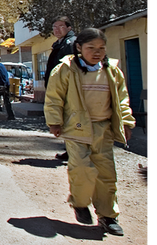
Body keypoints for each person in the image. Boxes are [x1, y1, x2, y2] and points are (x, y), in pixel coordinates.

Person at [44, 28, 135, 236]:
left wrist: (127, 123)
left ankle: (108, 216)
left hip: (103, 128)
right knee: (82, 168)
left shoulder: (111, 70)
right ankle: (80, 203)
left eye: (101, 48)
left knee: (106, 173)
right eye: (91, 48)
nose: (97, 52)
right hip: (76, 128)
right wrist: (54, 122)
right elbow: (54, 97)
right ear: (79, 48)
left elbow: (122, 99)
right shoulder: (66, 70)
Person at [45, 16, 76, 161]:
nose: (57, 30)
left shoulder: (71, 43)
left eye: (61, 26)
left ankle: (74, 151)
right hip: (60, 86)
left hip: (68, 88)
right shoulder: (60, 43)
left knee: (71, 118)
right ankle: (70, 149)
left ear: (69, 28)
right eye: (54, 27)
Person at [0, 55, 15, 120]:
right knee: (6, 99)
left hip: (2, 85)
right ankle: (10, 115)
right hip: (6, 84)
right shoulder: (2, 65)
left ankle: (0, 113)